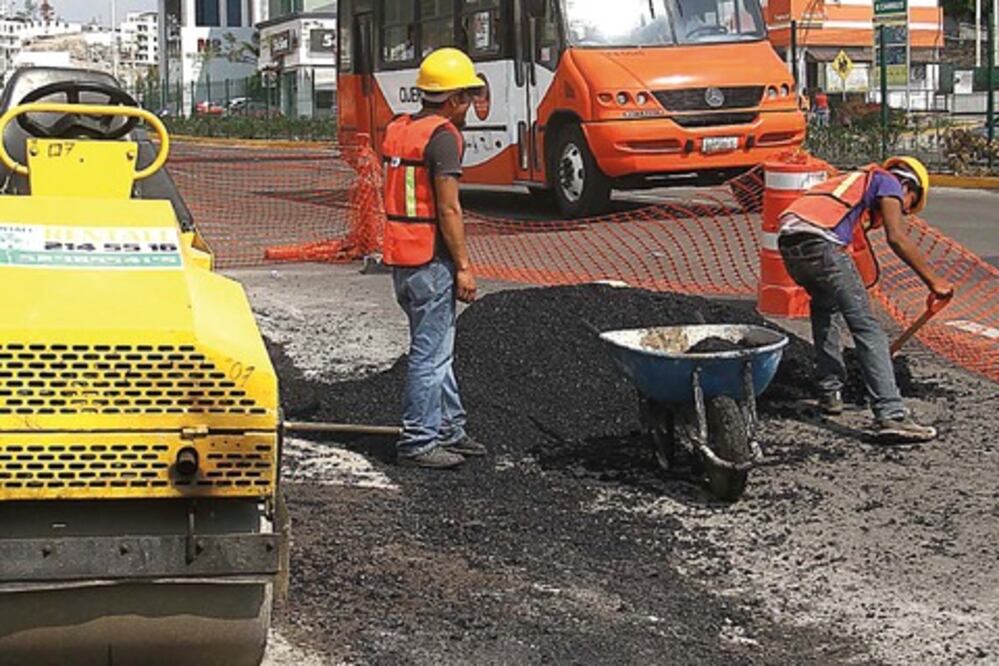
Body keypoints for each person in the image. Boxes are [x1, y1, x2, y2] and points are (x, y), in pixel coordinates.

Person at [777, 156, 953, 443]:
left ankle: (829, 391)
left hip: (790, 244)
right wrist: (935, 281)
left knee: (825, 310)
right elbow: (897, 238)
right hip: (822, 243)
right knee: (867, 327)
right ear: (909, 185)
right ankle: (891, 413)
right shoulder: (888, 181)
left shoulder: (851, 182)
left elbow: (855, 247)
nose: (903, 209)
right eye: (908, 203)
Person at [381, 47, 486, 469]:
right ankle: (419, 440)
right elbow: (448, 209)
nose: (473, 105)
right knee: (430, 355)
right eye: (470, 96)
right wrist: (463, 266)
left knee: (438, 347)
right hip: (430, 262)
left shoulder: (399, 128)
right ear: (454, 98)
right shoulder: (443, 138)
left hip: (402, 257)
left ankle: (449, 429)